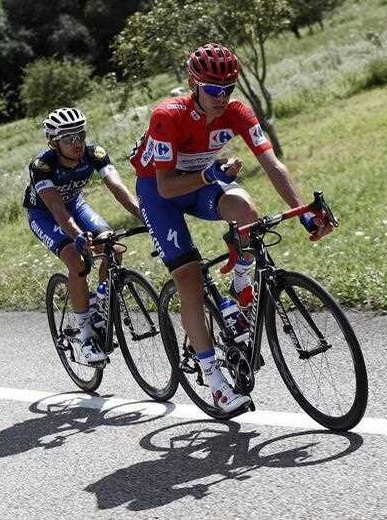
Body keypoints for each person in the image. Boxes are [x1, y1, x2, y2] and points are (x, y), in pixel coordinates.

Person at [130, 43, 333, 412]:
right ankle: (215, 381)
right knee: (188, 279)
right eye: (212, 90)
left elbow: (272, 164)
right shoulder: (167, 116)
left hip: (202, 181)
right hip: (161, 194)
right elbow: (166, 186)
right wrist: (208, 173)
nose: (221, 97)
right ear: (194, 84)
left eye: (228, 89)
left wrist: (302, 210)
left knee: (245, 208)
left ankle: (241, 285)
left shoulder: (237, 111)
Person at [23, 107, 142, 364]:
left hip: (76, 205)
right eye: (68, 138)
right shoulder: (42, 166)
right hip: (44, 214)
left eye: (80, 134)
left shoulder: (94, 153)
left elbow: (116, 186)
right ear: (54, 142)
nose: (77, 143)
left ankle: (100, 301)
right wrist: (77, 236)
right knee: (76, 262)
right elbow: (56, 208)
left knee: (114, 248)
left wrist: (144, 214)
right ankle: (86, 334)